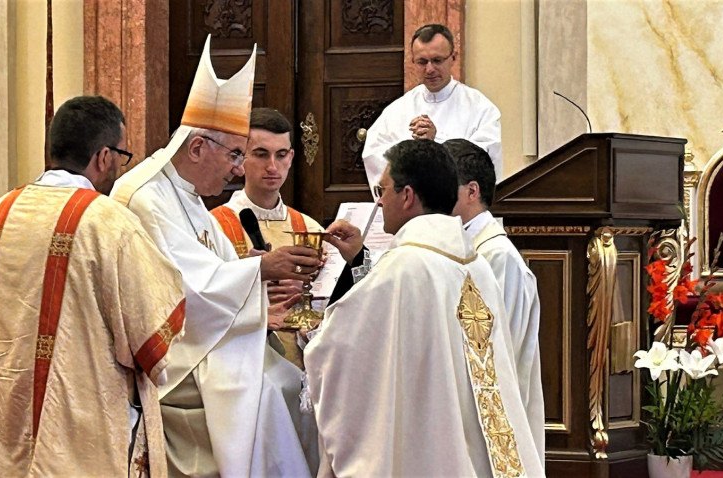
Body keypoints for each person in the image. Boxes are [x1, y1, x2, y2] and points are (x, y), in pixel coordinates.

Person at [0, 96, 186, 477]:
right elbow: (150, 336)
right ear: (103, 157)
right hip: (73, 436)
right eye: (122, 156)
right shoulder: (110, 224)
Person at [111, 36, 318, 477]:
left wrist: (256, 283)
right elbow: (180, 288)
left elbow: (216, 272)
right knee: (270, 389)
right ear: (197, 148)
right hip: (173, 356)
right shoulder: (145, 196)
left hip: (205, 339)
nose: (239, 169)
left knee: (293, 382)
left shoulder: (188, 194)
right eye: (236, 154)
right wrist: (260, 268)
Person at [304, 139, 544, 477]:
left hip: (428, 443)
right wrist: (360, 259)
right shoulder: (474, 264)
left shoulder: (407, 266)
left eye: (383, 189)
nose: (379, 200)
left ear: (407, 196)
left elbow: (336, 352)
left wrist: (314, 339)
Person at [445, 138, 545, 465]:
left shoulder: (498, 257)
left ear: (472, 191)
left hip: (494, 424)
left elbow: (502, 352)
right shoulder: (459, 248)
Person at [210, 107, 322, 370]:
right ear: (240, 158)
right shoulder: (214, 225)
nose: (272, 166)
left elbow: (336, 303)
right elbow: (198, 301)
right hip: (239, 364)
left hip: (304, 363)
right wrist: (250, 283)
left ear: (291, 158)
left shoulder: (310, 228)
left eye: (281, 155)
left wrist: (308, 292)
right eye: (261, 154)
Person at [362, 23, 504, 192]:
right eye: (422, 62)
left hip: (457, 206)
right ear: (413, 62)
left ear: (453, 58)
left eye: (437, 60)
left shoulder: (481, 109)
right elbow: (373, 153)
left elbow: (482, 165)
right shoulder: (397, 110)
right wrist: (412, 153)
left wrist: (434, 146)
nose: (429, 69)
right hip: (410, 205)